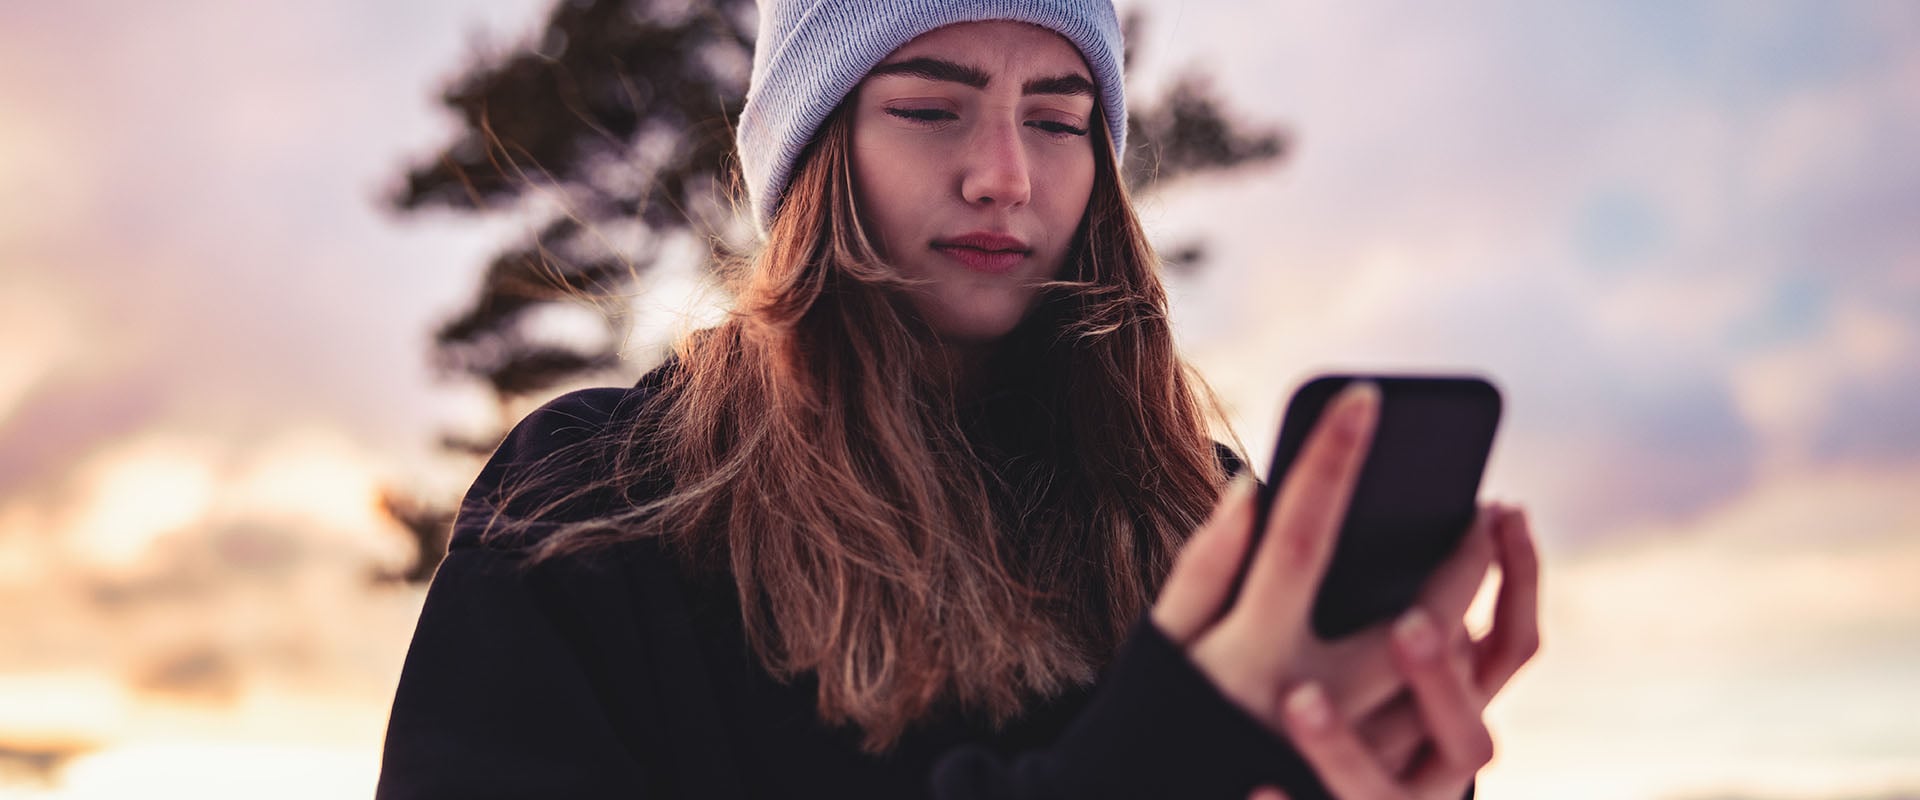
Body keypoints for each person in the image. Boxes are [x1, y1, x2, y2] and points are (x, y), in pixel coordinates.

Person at [374, 1, 1541, 798]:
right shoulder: (599, 504)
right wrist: (1148, 758)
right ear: (813, 148)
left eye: (1057, 118)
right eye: (932, 108)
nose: (1007, 175)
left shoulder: (1208, 528)